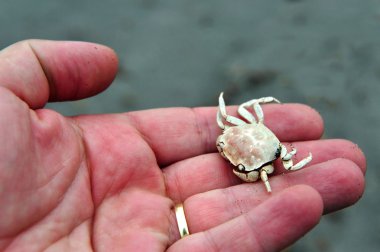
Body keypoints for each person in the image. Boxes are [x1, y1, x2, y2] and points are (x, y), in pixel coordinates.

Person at [0, 40, 365, 251]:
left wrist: (264, 169)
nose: (224, 152)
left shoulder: (259, 144)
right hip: (252, 140)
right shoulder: (235, 125)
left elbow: (256, 169)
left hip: (264, 150)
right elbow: (232, 130)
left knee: (278, 179)